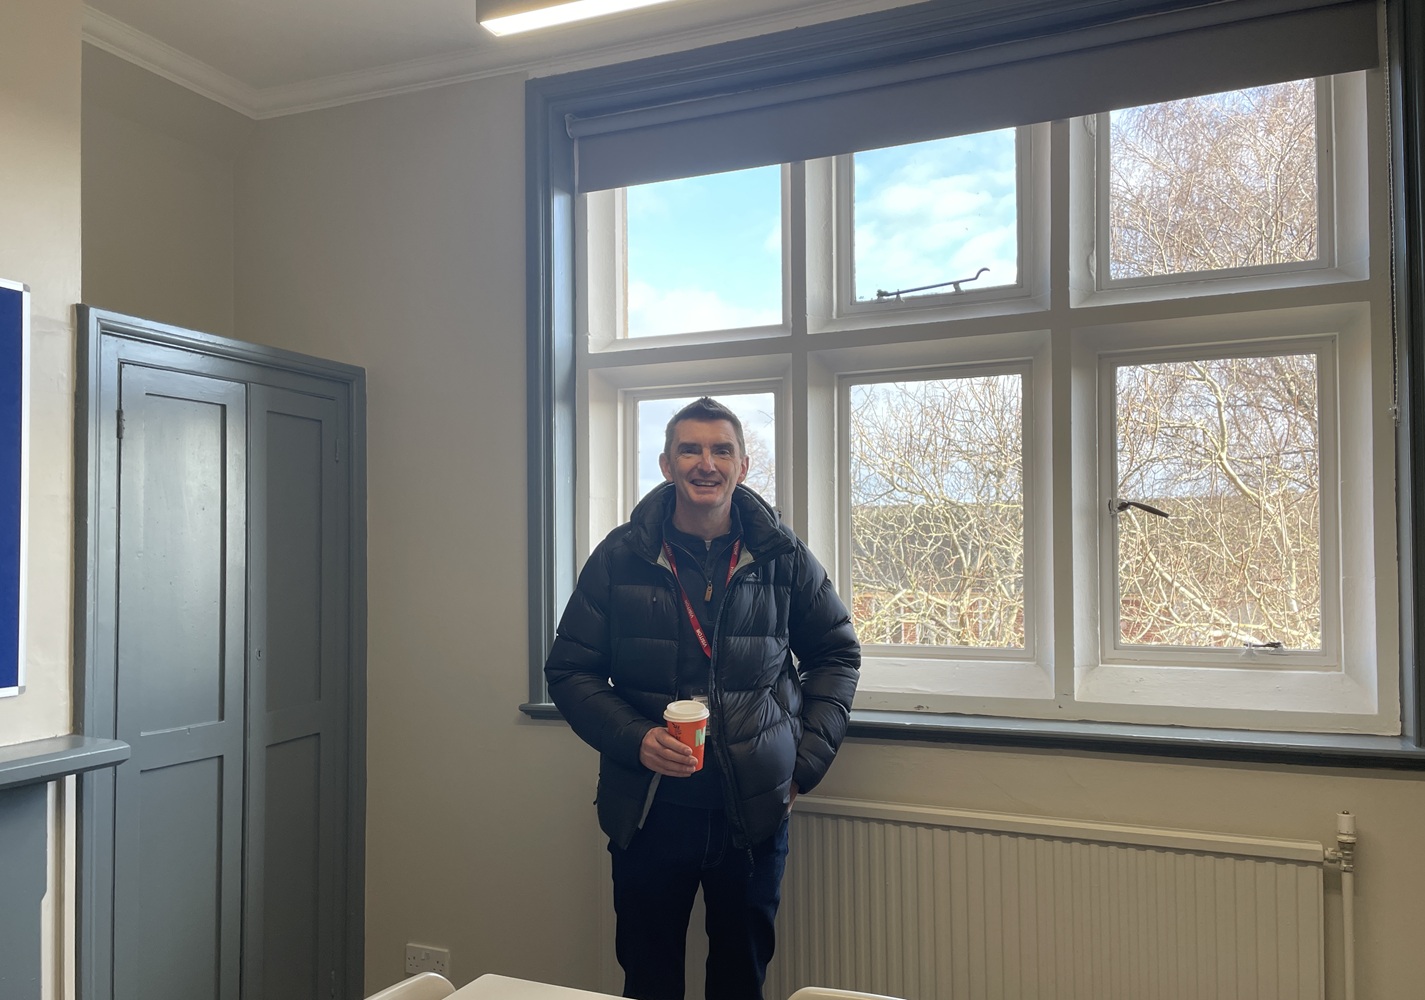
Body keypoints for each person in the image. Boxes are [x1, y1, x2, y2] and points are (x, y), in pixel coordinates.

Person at [545, 397, 861, 1000]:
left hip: (754, 813)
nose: (705, 463)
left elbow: (838, 655)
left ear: (743, 465)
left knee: (740, 980)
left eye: (721, 450)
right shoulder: (620, 556)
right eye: (690, 449)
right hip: (649, 810)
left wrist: (805, 765)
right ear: (667, 464)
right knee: (649, 977)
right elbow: (570, 672)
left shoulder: (781, 554)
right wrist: (636, 738)